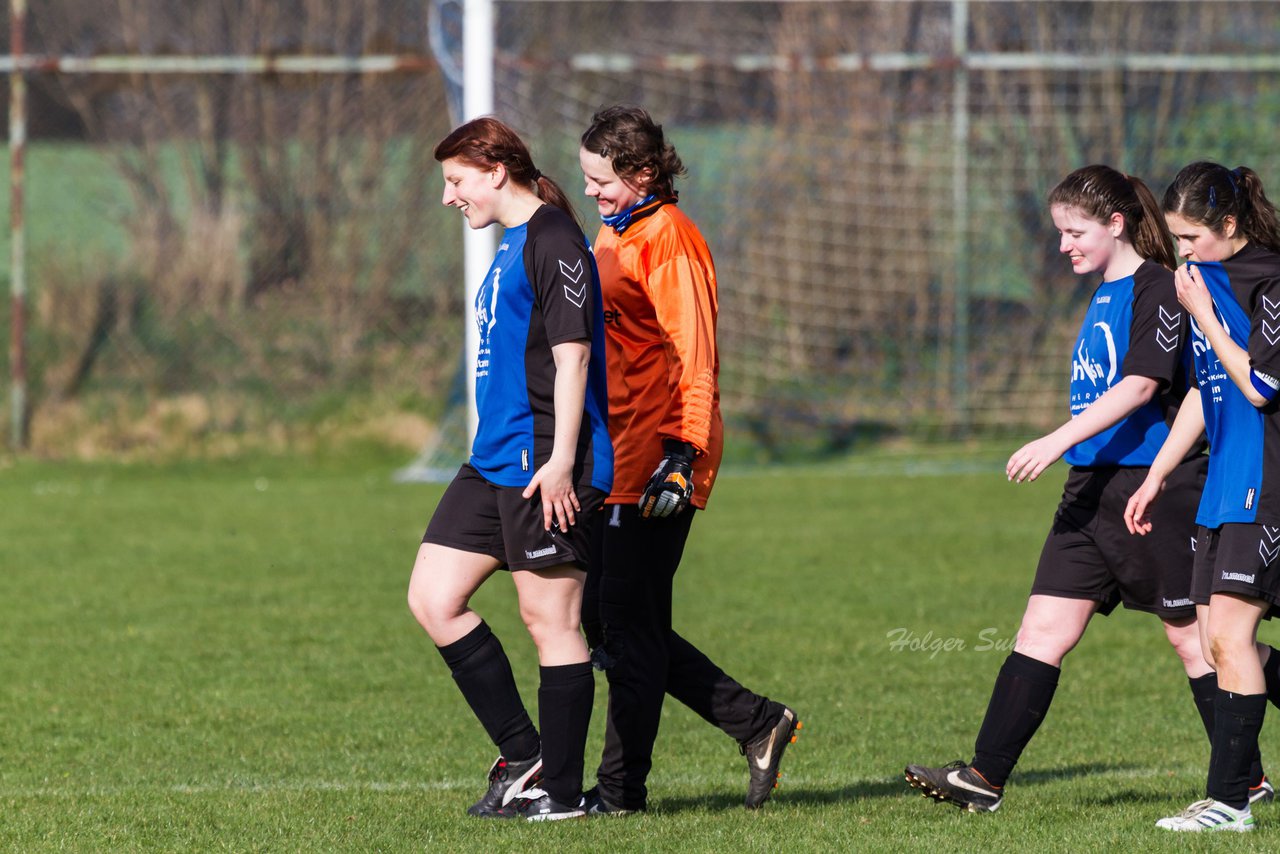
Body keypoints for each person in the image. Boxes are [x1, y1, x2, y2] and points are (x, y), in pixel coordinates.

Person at [904, 165, 1275, 813]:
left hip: (1155, 484)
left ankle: (1240, 785)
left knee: (1197, 639)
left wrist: (1060, 442)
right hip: (1091, 487)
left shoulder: (1163, 286)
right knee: (1043, 626)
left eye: (1075, 231)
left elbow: (1148, 386)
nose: (1063, 245)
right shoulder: (1109, 291)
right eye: (1059, 232)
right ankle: (984, 779)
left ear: (1115, 224)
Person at [575, 104, 799, 814]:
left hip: (658, 457)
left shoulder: (669, 238)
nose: (592, 192)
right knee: (608, 621)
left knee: (625, 625)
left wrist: (682, 452)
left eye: (601, 180)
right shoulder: (615, 232)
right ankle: (756, 721)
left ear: (641, 173)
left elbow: (694, 354)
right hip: (612, 458)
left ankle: (620, 795)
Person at [406, 116, 613, 822]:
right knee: (434, 599)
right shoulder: (517, 244)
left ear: (496, 171)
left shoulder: (554, 237)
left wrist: (560, 464)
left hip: (542, 461)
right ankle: (527, 756)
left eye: (455, 181)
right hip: (491, 461)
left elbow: (573, 357)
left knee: (549, 620)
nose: (448, 197)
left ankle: (561, 797)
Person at [1126, 162, 1280, 833]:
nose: (1181, 251)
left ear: (1228, 223)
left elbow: (1262, 388)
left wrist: (1208, 317)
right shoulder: (1201, 282)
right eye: (1175, 238)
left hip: (1268, 479)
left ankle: (1231, 803)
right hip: (1223, 482)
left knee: (1233, 636)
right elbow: (1201, 388)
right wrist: (1158, 473)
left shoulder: (1270, 279)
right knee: (1219, 641)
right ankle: (1229, 797)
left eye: (1191, 237)